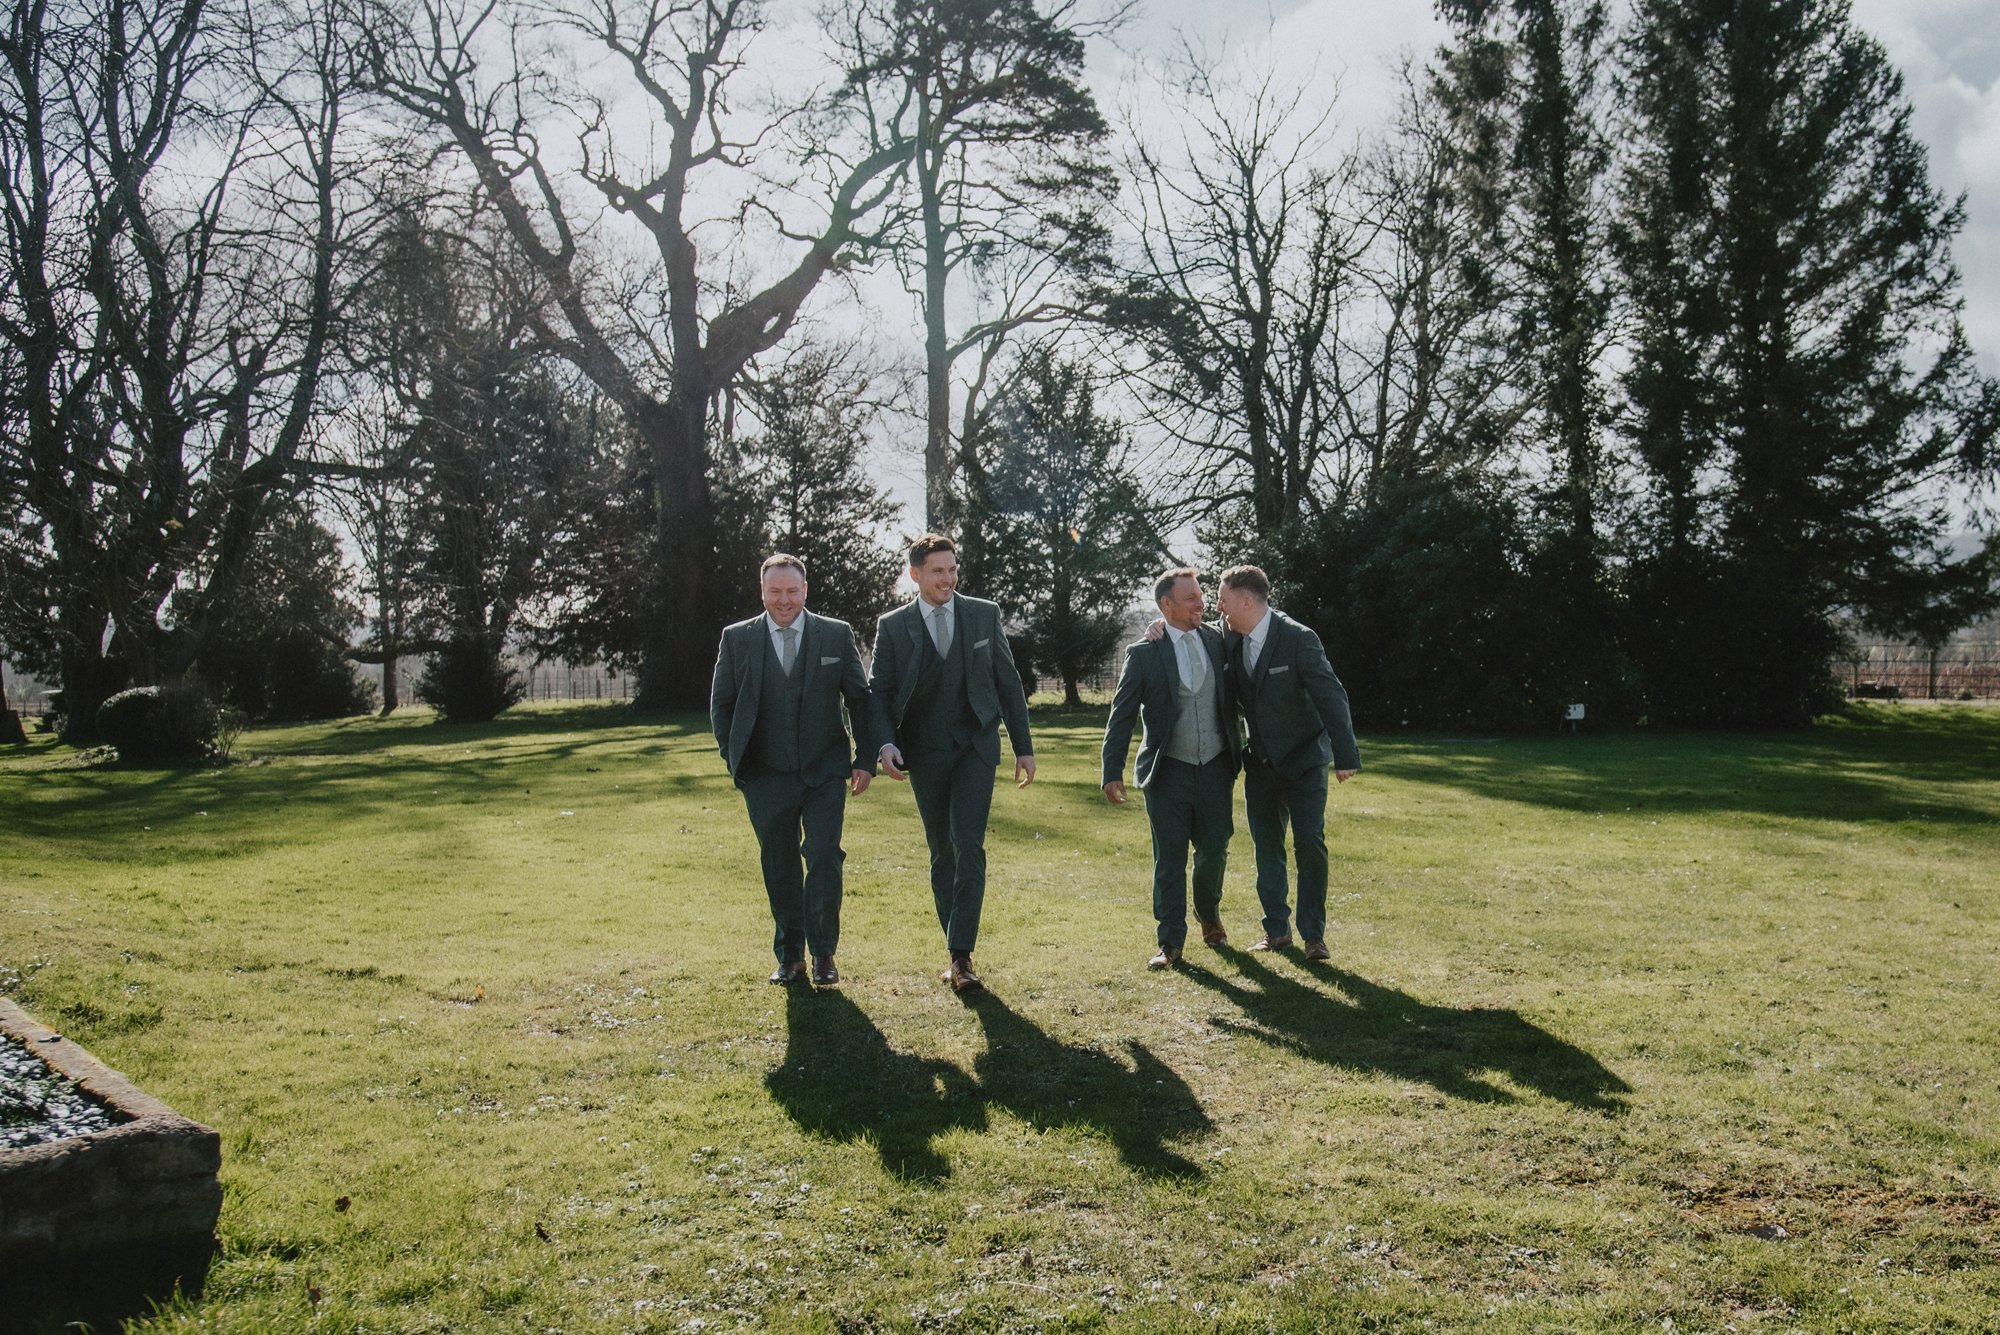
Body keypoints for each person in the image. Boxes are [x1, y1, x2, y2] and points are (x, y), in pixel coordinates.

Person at [869, 533, 1035, 992]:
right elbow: (878, 693)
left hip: (977, 747)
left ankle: (962, 957)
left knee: (969, 842)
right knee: (942, 850)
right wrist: (884, 744)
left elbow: (1008, 681)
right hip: (923, 751)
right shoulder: (894, 625)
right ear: (915, 574)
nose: (948, 578)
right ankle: (953, 951)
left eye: (953, 569)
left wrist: (1024, 746)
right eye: (938, 570)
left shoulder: (983, 614)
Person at [710, 554, 874, 987]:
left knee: (823, 855)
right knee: (778, 862)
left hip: (824, 771)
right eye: (775, 591)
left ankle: (823, 954)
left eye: (792, 591)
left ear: (806, 591)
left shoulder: (835, 635)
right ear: (762, 592)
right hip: (764, 774)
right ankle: (790, 955)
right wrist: (735, 761)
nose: (784, 600)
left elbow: (859, 698)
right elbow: (721, 704)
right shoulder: (737, 638)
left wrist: (865, 757)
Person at [1215, 564, 1360, 960]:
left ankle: (1314, 936)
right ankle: (1276, 932)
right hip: (1260, 763)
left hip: (1305, 760)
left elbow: (1332, 696)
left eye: (1223, 601)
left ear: (1246, 601)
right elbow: (1193, 632)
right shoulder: (1229, 634)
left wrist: (1345, 754)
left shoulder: (1298, 638)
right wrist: (1156, 628)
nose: (1219, 608)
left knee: (1309, 843)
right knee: (1267, 848)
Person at [1101, 568, 1241, 970]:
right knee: (1170, 859)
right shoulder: (1145, 652)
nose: (1202, 602)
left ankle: (1208, 912)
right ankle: (1170, 942)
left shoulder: (1219, 640)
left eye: (1201, 595)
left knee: (1214, 850)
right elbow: (1122, 715)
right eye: (1192, 597)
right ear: (1167, 605)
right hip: (1167, 771)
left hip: (1216, 765)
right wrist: (1112, 770)